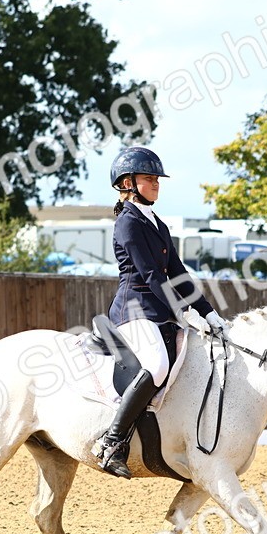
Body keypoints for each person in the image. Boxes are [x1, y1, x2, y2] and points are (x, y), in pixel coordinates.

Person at [94, 146, 229, 478]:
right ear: (127, 183)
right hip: (133, 309)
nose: (155, 184)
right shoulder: (127, 223)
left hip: (157, 309)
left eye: (157, 179)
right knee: (156, 365)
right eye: (148, 178)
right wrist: (183, 313)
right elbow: (152, 275)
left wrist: (207, 311)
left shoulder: (156, 222)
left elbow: (178, 273)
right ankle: (111, 442)